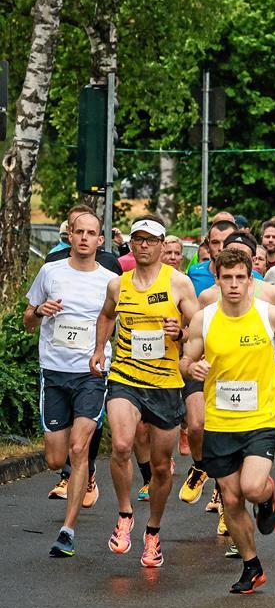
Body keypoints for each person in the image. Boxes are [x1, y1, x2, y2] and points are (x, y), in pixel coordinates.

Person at [180, 247, 275, 592]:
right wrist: (193, 367)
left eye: (240, 278)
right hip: (219, 422)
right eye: (227, 278)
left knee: (250, 487)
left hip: (261, 418)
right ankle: (252, 566)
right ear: (217, 281)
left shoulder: (269, 315)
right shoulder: (203, 319)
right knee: (231, 498)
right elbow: (184, 361)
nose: (234, 284)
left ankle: (266, 499)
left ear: (250, 281)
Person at [91, 216, 200, 567]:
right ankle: (125, 514)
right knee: (121, 444)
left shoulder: (179, 283)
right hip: (126, 377)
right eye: (137, 239)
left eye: (150, 240)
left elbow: (198, 327)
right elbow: (107, 316)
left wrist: (180, 333)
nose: (143, 245)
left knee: (162, 469)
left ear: (161, 244)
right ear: (132, 244)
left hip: (166, 384)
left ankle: (153, 531)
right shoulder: (117, 285)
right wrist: (98, 350)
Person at [27, 211, 117, 556]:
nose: (83, 238)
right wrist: (39, 312)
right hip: (54, 372)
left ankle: (67, 531)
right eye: (77, 232)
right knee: (54, 459)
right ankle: (80, 470)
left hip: (92, 374)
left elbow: (118, 324)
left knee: (79, 450)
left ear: (100, 240)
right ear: (69, 236)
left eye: (90, 232)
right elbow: (27, 322)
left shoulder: (111, 281)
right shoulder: (50, 272)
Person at [43, 204, 124, 274]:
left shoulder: (109, 262)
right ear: (68, 230)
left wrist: (123, 246)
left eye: (90, 232)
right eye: (78, 229)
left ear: (100, 239)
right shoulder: (53, 261)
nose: (84, 236)